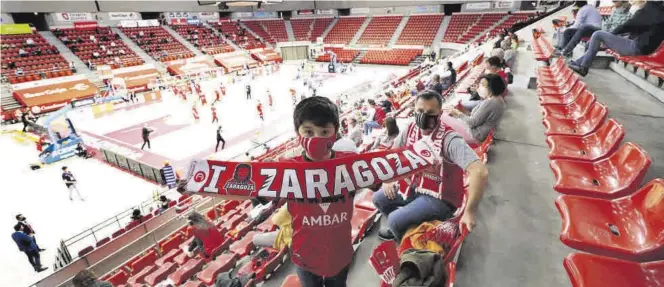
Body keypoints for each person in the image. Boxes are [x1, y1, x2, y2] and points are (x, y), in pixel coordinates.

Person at [373, 90, 489, 241]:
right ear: (414, 111)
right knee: (379, 199)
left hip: (441, 197)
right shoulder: (409, 129)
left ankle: (404, 241)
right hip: (415, 186)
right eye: (420, 111)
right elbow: (394, 153)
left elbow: (480, 172)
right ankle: (403, 230)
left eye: (430, 112)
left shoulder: (450, 139)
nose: (423, 116)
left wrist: (470, 211)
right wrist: (389, 180)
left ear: (440, 114)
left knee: (395, 219)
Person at [568, 1, 664, 76]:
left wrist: (612, 33)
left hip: (637, 47)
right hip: (643, 46)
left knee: (598, 35)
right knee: (593, 43)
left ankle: (584, 67)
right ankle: (578, 63)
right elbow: (639, 28)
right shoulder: (659, 12)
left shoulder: (652, 9)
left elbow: (629, 24)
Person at [555, 0, 631, 57]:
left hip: (596, 29)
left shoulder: (583, 10)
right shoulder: (590, 8)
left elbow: (577, 25)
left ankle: (566, 51)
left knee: (581, 28)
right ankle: (564, 50)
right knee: (569, 31)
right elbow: (607, 23)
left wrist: (566, 28)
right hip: (596, 29)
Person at [446, 74, 507, 145]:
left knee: (445, 118)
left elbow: (472, 123)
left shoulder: (490, 103)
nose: (479, 87)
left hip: (475, 135)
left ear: (491, 88)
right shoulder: (498, 99)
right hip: (482, 133)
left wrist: (458, 113)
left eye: (482, 85)